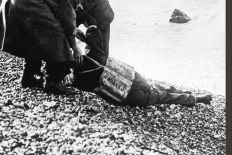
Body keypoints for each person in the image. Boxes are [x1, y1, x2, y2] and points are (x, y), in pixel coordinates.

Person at [0, 0, 96, 94]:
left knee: (36, 38)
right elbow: (67, 21)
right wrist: (75, 47)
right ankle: (53, 82)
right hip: (28, 0)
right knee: (57, 36)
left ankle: (29, 77)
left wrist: (79, 36)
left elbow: (60, 10)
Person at [73, 55, 212, 107]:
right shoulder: (100, 65)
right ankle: (190, 95)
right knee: (159, 89)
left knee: (164, 96)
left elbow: (115, 99)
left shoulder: (84, 83)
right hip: (137, 82)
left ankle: (196, 98)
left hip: (134, 96)